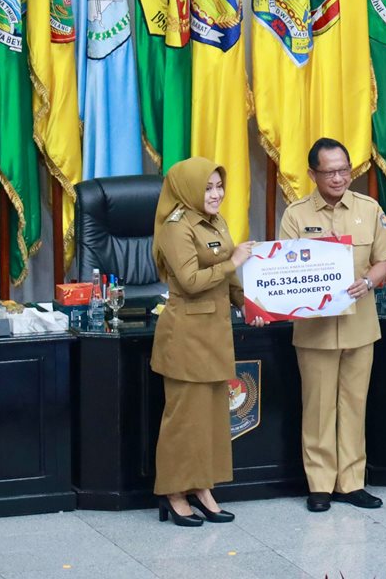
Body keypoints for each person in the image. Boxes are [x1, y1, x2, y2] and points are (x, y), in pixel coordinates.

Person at [279, 138, 386, 513]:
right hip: (314, 329)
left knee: (353, 405)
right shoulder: (296, 215)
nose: (338, 178)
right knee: (318, 409)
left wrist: (370, 281)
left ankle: (351, 483)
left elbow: (384, 259)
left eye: (344, 170)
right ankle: (319, 484)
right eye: (330, 171)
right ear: (313, 174)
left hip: (360, 325)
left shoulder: (369, 208)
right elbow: (285, 267)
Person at [151, 157, 265, 526]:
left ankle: (202, 488)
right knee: (183, 420)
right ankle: (172, 493)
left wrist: (248, 305)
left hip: (216, 334)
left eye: (219, 186)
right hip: (185, 335)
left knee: (211, 419)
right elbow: (190, 281)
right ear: (187, 190)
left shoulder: (216, 221)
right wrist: (234, 260)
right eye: (208, 188)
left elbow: (227, 282)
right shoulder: (176, 227)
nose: (216, 194)